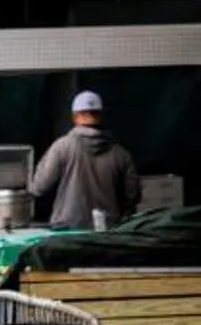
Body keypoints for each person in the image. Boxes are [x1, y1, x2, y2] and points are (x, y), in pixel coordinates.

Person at [29, 89, 142, 231]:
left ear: (75, 116)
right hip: (107, 232)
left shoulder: (62, 146)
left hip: (67, 230)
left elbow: (39, 186)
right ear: (100, 115)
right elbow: (133, 196)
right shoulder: (120, 153)